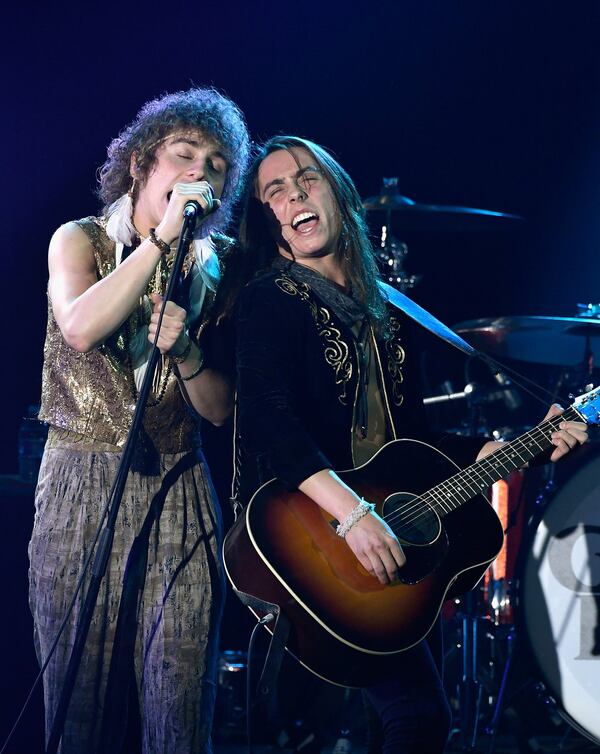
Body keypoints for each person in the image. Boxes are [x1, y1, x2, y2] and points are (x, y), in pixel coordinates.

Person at [228, 136, 589, 753]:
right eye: (276, 192)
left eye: (306, 180)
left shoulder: (390, 313)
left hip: (387, 539)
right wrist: (354, 513)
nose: (294, 197)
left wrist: (506, 448)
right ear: (274, 224)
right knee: (413, 716)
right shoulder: (270, 299)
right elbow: (266, 420)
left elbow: (410, 442)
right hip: (309, 539)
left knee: (403, 721)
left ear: (338, 193)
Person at [28, 87, 250, 754]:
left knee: (179, 709)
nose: (199, 174)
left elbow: (217, 410)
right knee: (80, 710)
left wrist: (186, 350)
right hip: (79, 482)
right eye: (184, 156)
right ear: (140, 167)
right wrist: (161, 241)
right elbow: (81, 326)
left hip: (180, 488)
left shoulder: (225, 269)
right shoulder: (78, 240)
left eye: (215, 165)